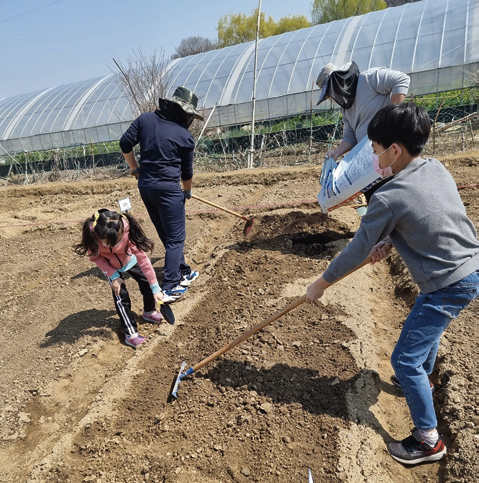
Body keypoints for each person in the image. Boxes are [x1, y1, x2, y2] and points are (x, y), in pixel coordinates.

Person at [306, 103, 479, 464]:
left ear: (394, 150)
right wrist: (390, 240)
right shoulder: (434, 167)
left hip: (446, 283)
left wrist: (321, 283)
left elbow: (356, 251)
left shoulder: (387, 195)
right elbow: (429, 217)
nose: (372, 155)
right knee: (423, 336)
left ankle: (428, 441)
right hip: (469, 269)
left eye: (374, 148)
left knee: (404, 359)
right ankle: (424, 382)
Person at [120, 86, 203, 303]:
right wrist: (187, 192)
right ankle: (171, 285)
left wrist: (135, 169)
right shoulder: (184, 136)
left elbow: (124, 142)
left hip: (146, 187)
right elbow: (187, 172)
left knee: (167, 232)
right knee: (176, 237)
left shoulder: (145, 120)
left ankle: (183, 270)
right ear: (185, 114)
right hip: (168, 190)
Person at [316, 61, 410, 201]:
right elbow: (350, 136)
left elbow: (401, 79)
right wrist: (337, 152)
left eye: (330, 94)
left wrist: (392, 117)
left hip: (391, 151)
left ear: (338, 82)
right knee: (375, 197)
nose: (332, 99)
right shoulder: (346, 108)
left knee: (398, 193)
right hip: (371, 161)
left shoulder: (368, 79)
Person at [74, 209, 165, 349]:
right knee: (120, 295)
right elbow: (96, 258)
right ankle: (131, 334)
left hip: (129, 259)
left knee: (146, 283)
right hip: (111, 267)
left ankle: (149, 311)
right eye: (108, 243)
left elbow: (144, 260)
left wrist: (156, 288)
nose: (113, 246)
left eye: (117, 241)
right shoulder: (92, 236)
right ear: (99, 235)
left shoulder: (128, 231)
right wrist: (113, 276)